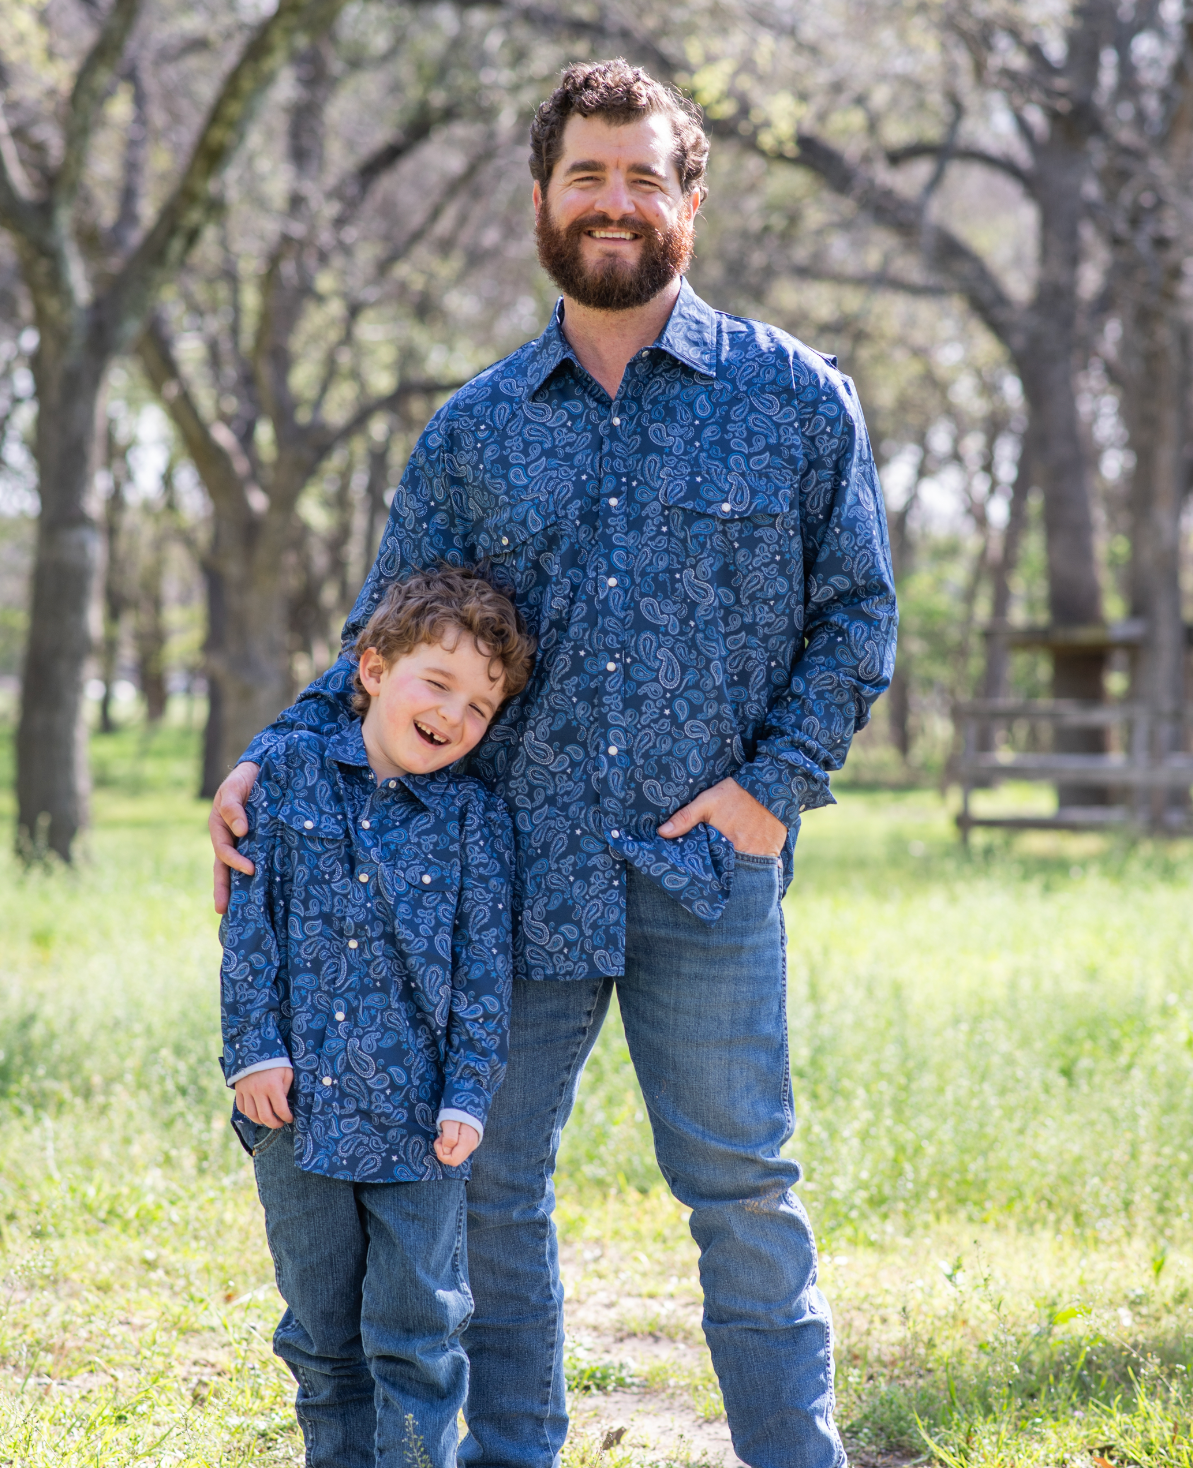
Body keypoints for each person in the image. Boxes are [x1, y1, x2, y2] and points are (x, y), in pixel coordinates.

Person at [212, 59, 897, 1468]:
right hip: (508, 873)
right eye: (588, 173)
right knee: (492, 1192)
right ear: (541, 199)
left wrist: (771, 791)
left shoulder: (796, 402)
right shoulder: (471, 432)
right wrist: (264, 760)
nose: (614, 200)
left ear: (689, 202)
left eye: (645, 174)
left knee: (743, 1188)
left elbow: (856, 621)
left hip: (711, 872)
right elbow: (379, 643)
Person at [220, 566, 536, 1468]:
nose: (454, 716)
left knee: (419, 1331)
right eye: (437, 683)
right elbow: (250, 932)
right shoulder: (283, 777)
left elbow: (484, 977)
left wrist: (468, 1097)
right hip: (295, 1113)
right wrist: (254, 1054)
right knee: (322, 1336)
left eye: (480, 707)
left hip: (420, 1128)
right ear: (371, 669)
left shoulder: (478, 822)